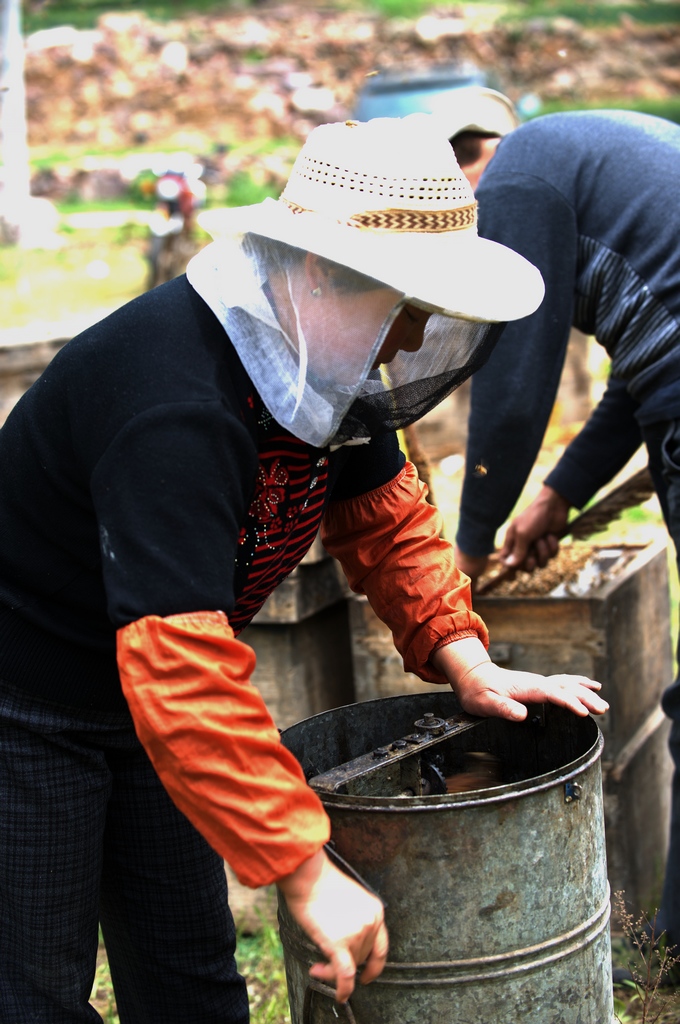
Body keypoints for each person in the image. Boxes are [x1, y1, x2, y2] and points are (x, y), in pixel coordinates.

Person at [0, 114, 608, 1024]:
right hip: (26, 702)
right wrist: (305, 870)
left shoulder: (323, 366)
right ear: (317, 268)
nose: (410, 339)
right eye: (400, 304)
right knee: (34, 991)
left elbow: (388, 521)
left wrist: (465, 659)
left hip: (150, 702)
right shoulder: (178, 403)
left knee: (191, 973)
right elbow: (180, 666)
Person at [441, 91, 680, 946]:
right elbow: (648, 355)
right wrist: (560, 492)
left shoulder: (510, 187)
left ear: (465, 168)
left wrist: (464, 550)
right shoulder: (584, 158)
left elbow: (512, 389)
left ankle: (669, 949)